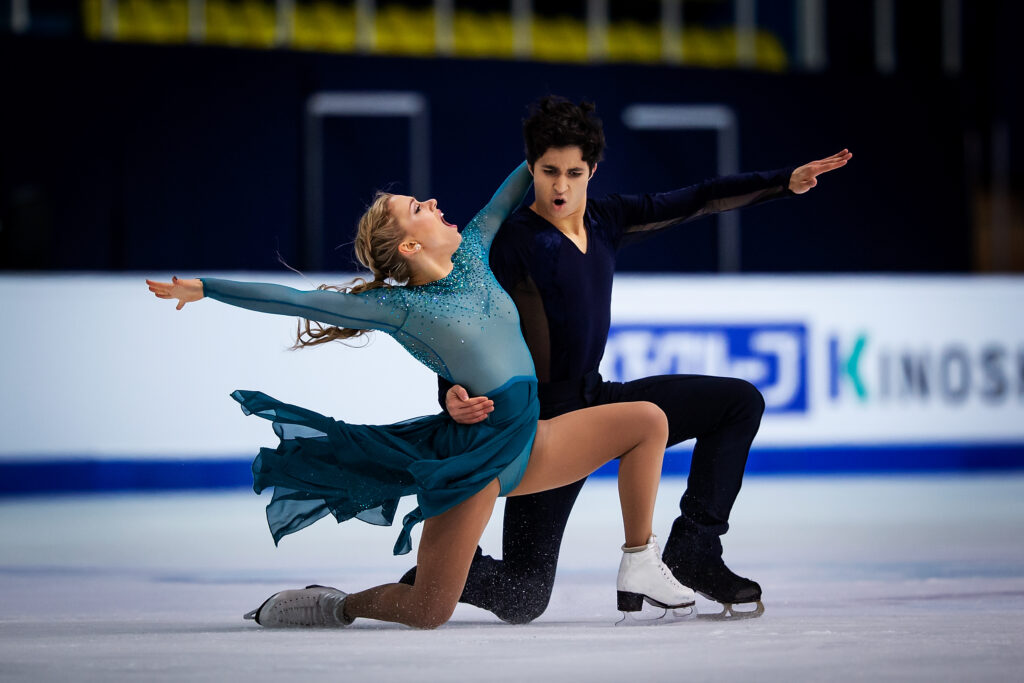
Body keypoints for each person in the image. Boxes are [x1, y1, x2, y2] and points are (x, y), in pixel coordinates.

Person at [146, 162, 694, 630]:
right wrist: (207, 288)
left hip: (530, 435)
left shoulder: (476, 250)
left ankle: (638, 557)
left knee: (647, 420)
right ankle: (334, 606)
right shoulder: (398, 307)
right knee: (429, 610)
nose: (433, 201)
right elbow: (295, 300)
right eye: (418, 206)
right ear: (410, 244)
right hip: (474, 460)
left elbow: (523, 175)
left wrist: (554, 141)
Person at [400, 96, 851, 621]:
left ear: (592, 169)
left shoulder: (609, 218)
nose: (561, 187)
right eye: (548, 172)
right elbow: (462, 331)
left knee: (738, 402)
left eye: (573, 172)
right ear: (531, 170)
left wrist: (783, 181)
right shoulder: (510, 244)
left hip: (596, 399)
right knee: (523, 597)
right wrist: (450, 395)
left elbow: (699, 198)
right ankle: (435, 573)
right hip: (542, 427)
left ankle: (695, 549)